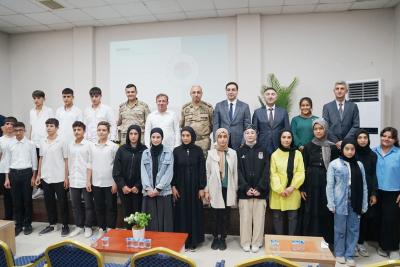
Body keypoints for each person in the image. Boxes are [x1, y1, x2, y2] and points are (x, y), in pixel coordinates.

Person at [296, 119, 338, 245]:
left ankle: (325, 241)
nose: (318, 131)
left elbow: (335, 167)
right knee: (309, 210)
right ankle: (308, 240)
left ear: (325, 129)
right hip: (310, 183)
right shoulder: (308, 146)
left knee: (324, 211)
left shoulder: (333, 147)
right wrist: (302, 188)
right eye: (315, 129)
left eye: (321, 128)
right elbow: (302, 167)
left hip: (326, 183)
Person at [326, 138, 368, 267]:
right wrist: (331, 204)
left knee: (353, 229)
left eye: (352, 149)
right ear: (342, 149)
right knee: (339, 229)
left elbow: (364, 186)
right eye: (347, 149)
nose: (349, 152)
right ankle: (339, 254)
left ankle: (349, 255)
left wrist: (364, 204)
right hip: (340, 200)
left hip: (356, 200)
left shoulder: (359, 165)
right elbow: (330, 185)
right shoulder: (334, 164)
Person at [172, 126, 206, 252]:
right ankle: (183, 241)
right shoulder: (177, 151)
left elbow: (202, 170)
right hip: (180, 188)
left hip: (194, 187)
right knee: (181, 213)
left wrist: (201, 187)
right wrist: (173, 186)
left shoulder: (198, 150)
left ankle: (194, 241)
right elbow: (173, 170)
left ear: (192, 136)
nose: (185, 138)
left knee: (194, 212)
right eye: (183, 136)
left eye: (188, 135)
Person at [237, 124, 269, 253]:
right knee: (245, 218)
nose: (250, 135)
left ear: (256, 135)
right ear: (244, 135)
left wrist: (259, 187)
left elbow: (267, 171)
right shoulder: (239, 151)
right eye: (247, 133)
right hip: (245, 192)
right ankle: (245, 242)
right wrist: (245, 187)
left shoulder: (263, 150)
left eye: (252, 133)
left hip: (260, 192)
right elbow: (237, 171)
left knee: (259, 219)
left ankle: (256, 242)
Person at [205, 128, 238, 251]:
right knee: (215, 216)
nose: (222, 139)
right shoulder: (210, 153)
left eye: (225, 136)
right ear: (216, 138)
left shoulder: (233, 153)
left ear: (227, 138)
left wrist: (235, 190)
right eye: (220, 137)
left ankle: (223, 238)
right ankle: (215, 238)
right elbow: (207, 173)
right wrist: (207, 190)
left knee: (225, 216)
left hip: (227, 188)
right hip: (214, 189)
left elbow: (235, 173)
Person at [35, 118, 69, 237]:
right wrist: (39, 175)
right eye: (47, 126)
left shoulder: (63, 141)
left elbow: (66, 160)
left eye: (51, 126)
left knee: (63, 203)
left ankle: (65, 225)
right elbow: (41, 158)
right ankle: (52, 224)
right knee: (48, 202)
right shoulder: (42, 141)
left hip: (59, 176)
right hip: (46, 176)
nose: (48, 128)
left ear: (57, 128)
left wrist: (66, 177)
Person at [3, 122, 37, 236]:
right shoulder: (10, 145)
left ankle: (27, 224)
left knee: (27, 200)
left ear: (24, 131)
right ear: (13, 130)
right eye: (16, 130)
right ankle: (18, 224)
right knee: (16, 202)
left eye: (20, 130)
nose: (18, 132)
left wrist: (33, 176)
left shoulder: (30, 144)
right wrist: (7, 178)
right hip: (13, 174)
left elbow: (34, 163)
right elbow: (7, 162)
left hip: (27, 173)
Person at [86, 121, 119, 239]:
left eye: (104, 130)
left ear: (109, 132)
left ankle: (111, 228)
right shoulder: (92, 146)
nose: (101, 132)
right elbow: (89, 164)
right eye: (99, 130)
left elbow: (117, 166)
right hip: (96, 182)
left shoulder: (114, 147)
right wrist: (88, 181)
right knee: (99, 207)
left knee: (111, 207)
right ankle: (102, 228)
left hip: (110, 183)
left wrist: (115, 182)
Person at [269, 129, 305, 235]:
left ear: (292, 139)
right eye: (284, 137)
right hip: (278, 191)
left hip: (292, 190)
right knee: (277, 216)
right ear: (280, 139)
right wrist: (279, 189)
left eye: (289, 137)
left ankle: (291, 239)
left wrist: (292, 187)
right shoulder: (275, 155)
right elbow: (273, 173)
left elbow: (300, 172)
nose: (286, 140)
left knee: (293, 216)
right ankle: (279, 239)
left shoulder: (298, 154)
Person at [372, 127, 400, 260]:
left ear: (395, 139)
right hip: (376, 192)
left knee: (391, 220)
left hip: (393, 192)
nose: (386, 139)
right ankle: (382, 246)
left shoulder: (399, 153)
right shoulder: (373, 152)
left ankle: (393, 248)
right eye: (384, 136)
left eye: (390, 137)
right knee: (378, 219)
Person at [113, 125, 147, 230]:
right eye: (131, 134)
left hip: (138, 189)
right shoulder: (122, 150)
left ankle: (138, 236)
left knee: (138, 213)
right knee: (127, 214)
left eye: (135, 134)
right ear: (128, 135)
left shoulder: (144, 150)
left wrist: (138, 186)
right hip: (125, 189)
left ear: (139, 135)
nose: (133, 136)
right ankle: (129, 234)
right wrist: (123, 186)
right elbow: (116, 170)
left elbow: (147, 171)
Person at [141, 128, 174, 232]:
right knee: (150, 220)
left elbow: (169, 173)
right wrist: (148, 188)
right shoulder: (145, 153)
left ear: (162, 138)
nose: (155, 140)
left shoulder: (169, 153)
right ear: (150, 138)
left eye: (158, 137)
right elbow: (143, 172)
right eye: (153, 137)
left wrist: (158, 188)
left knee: (165, 220)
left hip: (163, 192)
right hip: (149, 192)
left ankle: (164, 243)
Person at [68, 121, 95, 238]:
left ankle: (88, 226)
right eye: (74, 130)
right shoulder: (70, 145)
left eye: (79, 130)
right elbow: (69, 162)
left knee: (88, 205)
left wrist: (88, 180)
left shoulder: (89, 145)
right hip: (73, 179)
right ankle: (79, 226)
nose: (76, 132)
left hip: (85, 180)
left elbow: (90, 164)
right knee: (75, 205)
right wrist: (68, 178)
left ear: (84, 131)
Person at [354, 129, 378, 257]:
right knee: (353, 217)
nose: (363, 140)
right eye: (360, 138)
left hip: (367, 189)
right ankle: (352, 244)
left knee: (364, 218)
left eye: (365, 138)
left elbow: (374, 174)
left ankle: (360, 243)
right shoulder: (352, 152)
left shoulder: (373, 155)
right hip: (353, 189)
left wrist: (374, 193)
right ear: (356, 139)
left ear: (368, 139)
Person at [30, 90, 54, 199]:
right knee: (36, 166)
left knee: (46, 165)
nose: (36, 100)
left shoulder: (49, 111)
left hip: (45, 142)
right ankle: (39, 188)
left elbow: (52, 125)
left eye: (38, 98)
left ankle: (46, 189)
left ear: (43, 99)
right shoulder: (31, 112)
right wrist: (30, 141)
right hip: (35, 143)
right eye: (34, 98)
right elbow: (32, 127)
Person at [322, 81, 360, 150]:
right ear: (334, 91)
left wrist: (344, 141)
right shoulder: (327, 107)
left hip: (349, 144)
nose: (339, 91)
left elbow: (356, 126)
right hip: (332, 144)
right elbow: (326, 126)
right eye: (337, 89)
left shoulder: (353, 106)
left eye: (342, 89)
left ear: (346, 91)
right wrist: (337, 142)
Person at [213, 82, 251, 150]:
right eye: (228, 90)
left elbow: (247, 126)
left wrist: (244, 142)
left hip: (239, 143)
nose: (230, 92)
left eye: (233, 90)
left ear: (237, 91)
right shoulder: (219, 105)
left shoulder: (245, 106)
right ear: (226, 91)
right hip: (222, 141)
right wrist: (216, 142)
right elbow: (216, 125)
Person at [253, 87, 290, 155]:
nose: (270, 96)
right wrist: (255, 146)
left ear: (276, 97)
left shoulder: (283, 111)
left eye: (272, 94)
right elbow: (255, 131)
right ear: (264, 98)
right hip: (262, 145)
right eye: (268, 94)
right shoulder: (257, 112)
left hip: (279, 144)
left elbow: (287, 129)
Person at [180, 85, 214, 158]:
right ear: (190, 94)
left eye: (198, 92)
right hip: (189, 141)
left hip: (204, 141)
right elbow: (182, 125)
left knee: (203, 163)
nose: (196, 95)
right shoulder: (185, 108)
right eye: (194, 92)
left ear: (202, 94)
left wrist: (203, 133)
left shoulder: (208, 108)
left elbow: (212, 124)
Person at [0, 117, 17, 220]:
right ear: (4, 125)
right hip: (3, 170)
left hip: (16, 170)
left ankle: (19, 218)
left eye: (12, 124)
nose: (9, 126)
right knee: (7, 196)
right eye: (7, 124)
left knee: (17, 196)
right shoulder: (1, 140)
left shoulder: (18, 138)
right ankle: (8, 218)